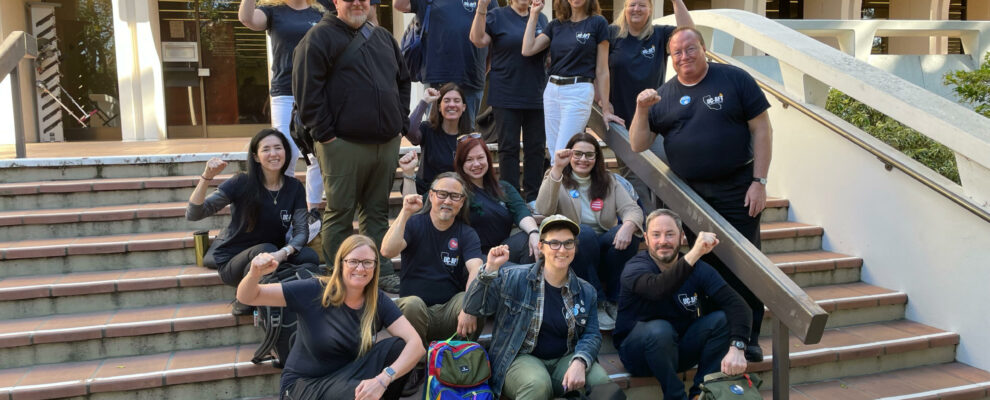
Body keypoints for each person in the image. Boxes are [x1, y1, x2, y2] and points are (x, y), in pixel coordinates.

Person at [628, 26, 773, 361]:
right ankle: (721, 332)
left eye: (690, 49)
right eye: (676, 53)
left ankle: (748, 335)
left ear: (703, 49)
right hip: (690, 197)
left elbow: (762, 128)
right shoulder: (663, 96)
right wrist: (641, 109)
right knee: (704, 266)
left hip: (739, 188)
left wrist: (760, 182)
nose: (684, 57)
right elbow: (637, 143)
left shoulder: (734, 79)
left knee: (743, 265)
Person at [292, 0, 410, 293]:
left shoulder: (383, 37)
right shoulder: (318, 37)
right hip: (341, 144)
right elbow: (308, 93)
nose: (358, 2)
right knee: (340, 212)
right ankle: (339, 272)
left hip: (385, 143)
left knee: (377, 212)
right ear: (336, 1)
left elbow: (403, 81)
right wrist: (327, 135)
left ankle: (377, 271)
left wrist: (400, 123)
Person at [236, 234, 425, 399]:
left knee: (397, 349)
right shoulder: (313, 290)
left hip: (346, 376)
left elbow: (416, 345)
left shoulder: (377, 300)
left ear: (375, 267)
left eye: (367, 262)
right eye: (353, 261)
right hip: (304, 386)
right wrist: (254, 273)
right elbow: (248, 296)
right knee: (358, 392)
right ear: (341, 263)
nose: (361, 269)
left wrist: (384, 379)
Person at [464, 215, 610, 399]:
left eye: (568, 243)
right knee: (537, 385)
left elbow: (592, 334)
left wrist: (580, 361)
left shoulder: (586, 291)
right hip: (520, 357)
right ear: (541, 246)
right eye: (554, 243)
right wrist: (490, 270)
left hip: (564, 358)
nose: (562, 250)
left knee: (602, 384)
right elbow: (473, 307)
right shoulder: (513, 278)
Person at [614, 209, 752, 400]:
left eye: (670, 234)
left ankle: (701, 394)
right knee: (660, 329)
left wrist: (738, 346)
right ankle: (676, 396)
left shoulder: (700, 269)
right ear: (645, 238)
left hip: (677, 351)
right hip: (638, 355)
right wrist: (695, 252)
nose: (663, 241)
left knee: (722, 319)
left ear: (681, 237)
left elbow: (738, 305)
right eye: (656, 235)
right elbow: (658, 289)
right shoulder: (635, 267)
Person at [186, 129, 320, 314]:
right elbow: (194, 213)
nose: (273, 154)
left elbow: (301, 232)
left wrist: (284, 252)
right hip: (234, 260)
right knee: (265, 249)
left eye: (278, 148)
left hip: (273, 254)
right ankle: (244, 299)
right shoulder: (241, 182)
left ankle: (281, 289)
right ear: (256, 157)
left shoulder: (294, 187)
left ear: (286, 153)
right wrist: (206, 177)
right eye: (266, 149)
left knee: (309, 256)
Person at [535, 133, 643, 330]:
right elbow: (543, 210)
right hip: (577, 248)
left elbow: (632, 209)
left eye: (589, 155)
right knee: (582, 233)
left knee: (630, 233)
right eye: (577, 154)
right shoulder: (556, 178)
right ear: (569, 155)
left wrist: (628, 226)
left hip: (605, 245)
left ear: (596, 158)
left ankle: (616, 300)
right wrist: (557, 168)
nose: (583, 159)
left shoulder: (609, 180)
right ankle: (598, 302)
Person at [238, 0, 327, 212]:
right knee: (285, 150)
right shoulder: (272, 10)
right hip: (285, 92)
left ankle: (312, 211)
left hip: (316, 92)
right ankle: (282, 206)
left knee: (318, 153)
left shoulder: (322, 11)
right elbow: (246, 19)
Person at [380, 172, 485, 346]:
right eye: (442, 194)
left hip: (449, 313)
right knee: (412, 305)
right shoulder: (414, 223)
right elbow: (387, 251)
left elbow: (476, 268)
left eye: (455, 196)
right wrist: (405, 213)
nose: (447, 201)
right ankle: (418, 364)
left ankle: (458, 361)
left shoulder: (467, 233)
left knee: (472, 301)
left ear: (462, 201)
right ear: (431, 195)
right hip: (414, 313)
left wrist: (469, 306)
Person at [608, 0, 693, 209]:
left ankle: (666, 223)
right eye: (632, 4)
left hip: (653, 121)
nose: (637, 9)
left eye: (642, 5)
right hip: (621, 119)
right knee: (633, 175)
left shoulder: (660, 34)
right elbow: (597, 69)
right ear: (625, 8)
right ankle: (646, 225)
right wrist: (603, 102)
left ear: (650, 10)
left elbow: (689, 34)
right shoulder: (611, 34)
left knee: (665, 170)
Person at [521, 0, 618, 167]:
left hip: (578, 90)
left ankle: (561, 191)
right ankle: (564, 191)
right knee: (554, 152)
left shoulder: (598, 23)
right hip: (552, 90)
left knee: (562, 153)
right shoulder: (556, 25)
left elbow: (602, 70)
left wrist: (606, 109)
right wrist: (534, 14)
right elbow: (527, 49)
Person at [469, 0, 548, 202]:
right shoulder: (497, 16)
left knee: (536, 148)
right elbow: (477, 39)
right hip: (506, 92)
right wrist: (482, 9)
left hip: (536, 93)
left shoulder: (542, 17)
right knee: (508, 148)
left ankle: (534, 197)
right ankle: (511, 198)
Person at [393, 0, 497, 123]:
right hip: (437, 79)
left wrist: (485, 68)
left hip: (472, 77)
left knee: (467, 138)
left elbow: (494, 35)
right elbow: (399, 4)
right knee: (435, 134)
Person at [454, 136, 540, 263]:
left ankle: (527, 280)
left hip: (502, 249)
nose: (476, 164)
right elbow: (431, 201)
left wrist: (534, 232)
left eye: (480, 157)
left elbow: (521, 212)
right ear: (461, 164)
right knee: (513, 272)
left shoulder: (504, 187)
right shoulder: (455, 189)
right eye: (469, 159)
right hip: (474, 256)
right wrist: (411, 174)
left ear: (488, 159)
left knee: (529, 240)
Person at [403, 85, 474, 195]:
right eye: (446, 101)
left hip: (458, 194)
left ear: (463, 107)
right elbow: (409, 130)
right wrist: (424, 101)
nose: (452, 104)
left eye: (456, 101)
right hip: (428, 192)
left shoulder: (470, 136)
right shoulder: (428, 129)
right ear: (439, 107)